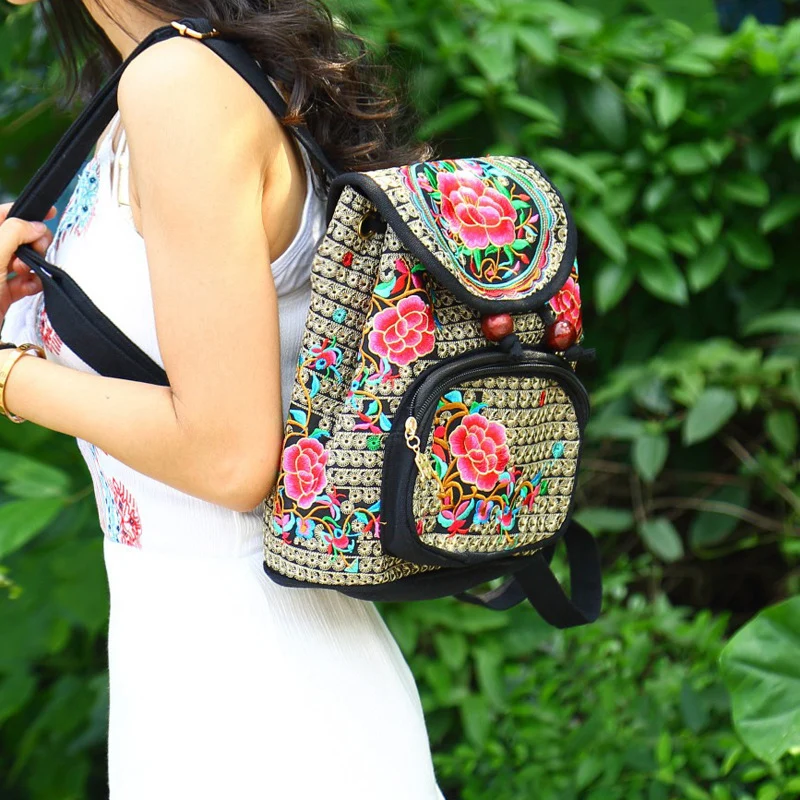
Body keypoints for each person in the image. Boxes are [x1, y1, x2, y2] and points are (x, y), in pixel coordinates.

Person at [0, 0, 444, 797]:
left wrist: (10, 377)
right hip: (197, 672)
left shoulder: (180, 85)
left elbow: (230, 458)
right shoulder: (162, 84)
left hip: (257, 699)